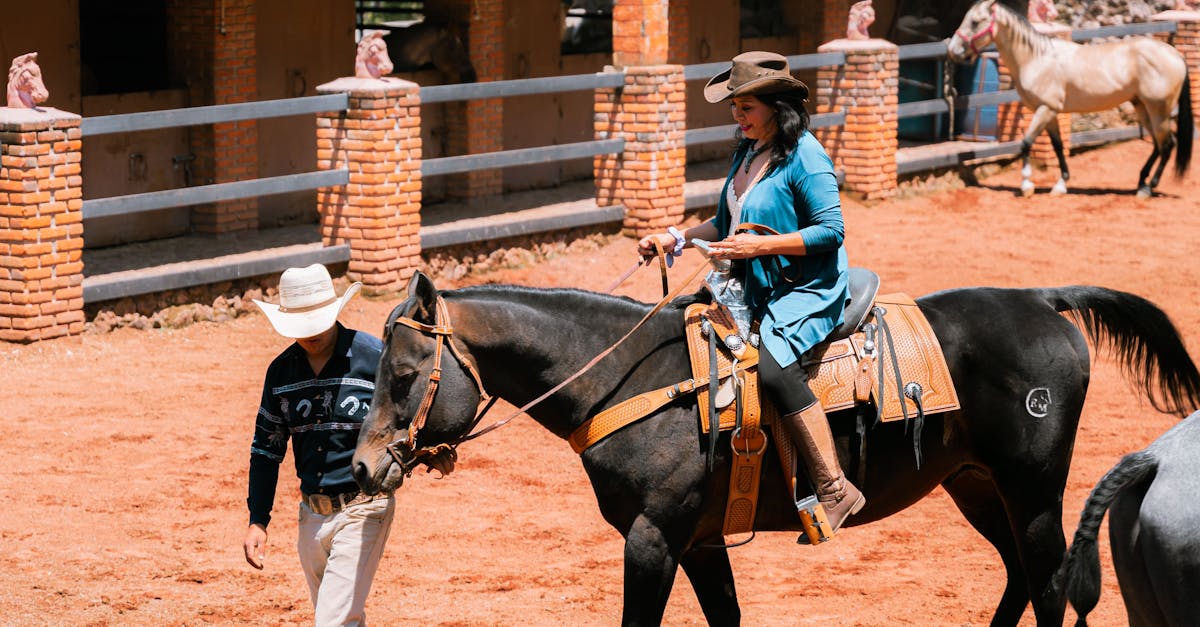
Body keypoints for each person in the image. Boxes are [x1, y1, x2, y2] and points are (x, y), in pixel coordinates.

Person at [638, 51, 865, 537]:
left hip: (806, 285)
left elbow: (831, 231)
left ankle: (834, 485)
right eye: (735, 107)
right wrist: (674, 238)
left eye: (747, 107)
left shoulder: (807, 155)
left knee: (772, 366)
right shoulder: (748, 150)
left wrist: (759, 245)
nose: (737, 117)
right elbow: (727, 222)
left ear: (778, 107)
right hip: (753, 281)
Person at [242, 263, 394, 625]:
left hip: (364, 507)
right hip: (310, 514)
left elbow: (408, 417)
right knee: (341, 618)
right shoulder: (280, 373)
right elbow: (266, 450)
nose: (310, 335)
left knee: (332, 620)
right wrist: (257, 520)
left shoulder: (375, 358)